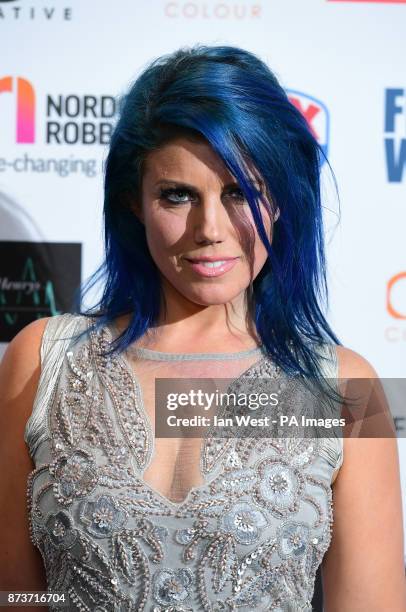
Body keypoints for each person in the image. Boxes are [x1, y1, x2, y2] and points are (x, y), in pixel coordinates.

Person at [1, 45, 405, 611]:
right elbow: (14, 595)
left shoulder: (340, 392)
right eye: (177, 195)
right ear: (134, 202)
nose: (210, 229)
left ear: (282, 200)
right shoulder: (43, 361)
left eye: (240, 192)